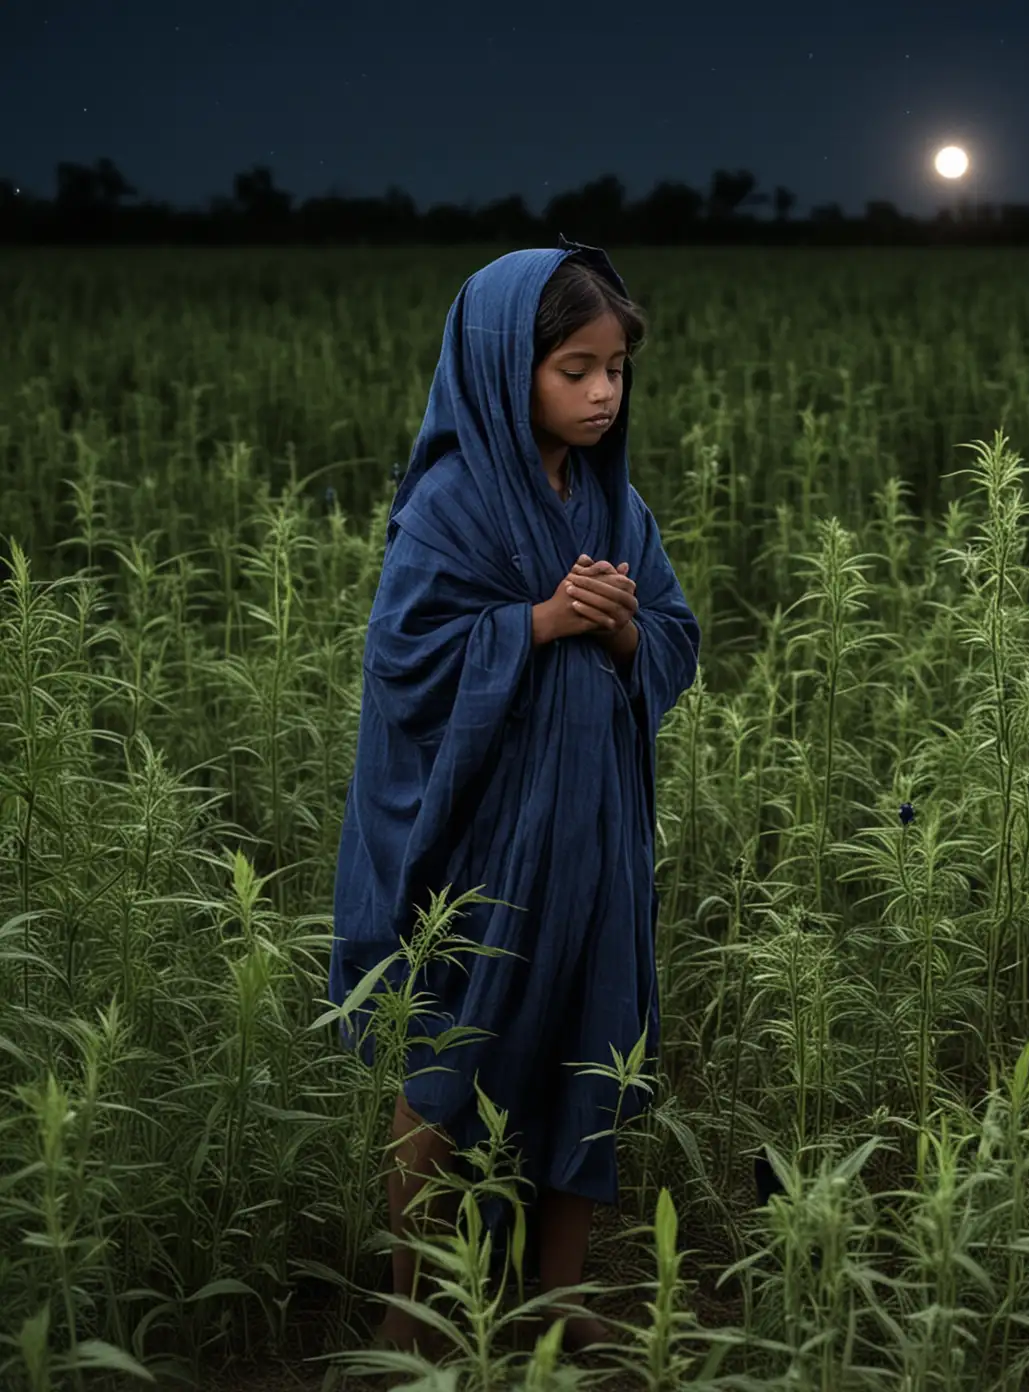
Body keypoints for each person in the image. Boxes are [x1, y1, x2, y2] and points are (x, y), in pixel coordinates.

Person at [330, 239, 700, 1350]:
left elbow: (674, 638)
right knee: (457, 1040)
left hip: (595, 828)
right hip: (486, 835)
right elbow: (404, 660)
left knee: (592, 1034)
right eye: (573, 369)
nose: (600, 394)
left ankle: (561, 1293)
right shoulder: (452, 503)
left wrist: (626, 625)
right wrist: (537, 622)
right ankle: (413, 1303)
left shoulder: (610, 501)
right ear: (504, 369)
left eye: (616, 370)